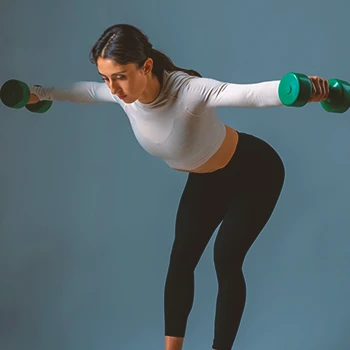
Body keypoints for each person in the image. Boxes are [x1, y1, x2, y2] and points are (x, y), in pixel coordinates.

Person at [28, 24, 329, 350]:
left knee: (225, 259)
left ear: (145, 66)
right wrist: (40, 93)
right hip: (206, 180)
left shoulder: (189, 90)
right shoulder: (124, 97)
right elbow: (85, 92)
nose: (113, 88)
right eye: (106, 78)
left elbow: (249, 94)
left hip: (256, 173)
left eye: (120, 76)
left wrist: (304, 91)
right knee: (181, 260)